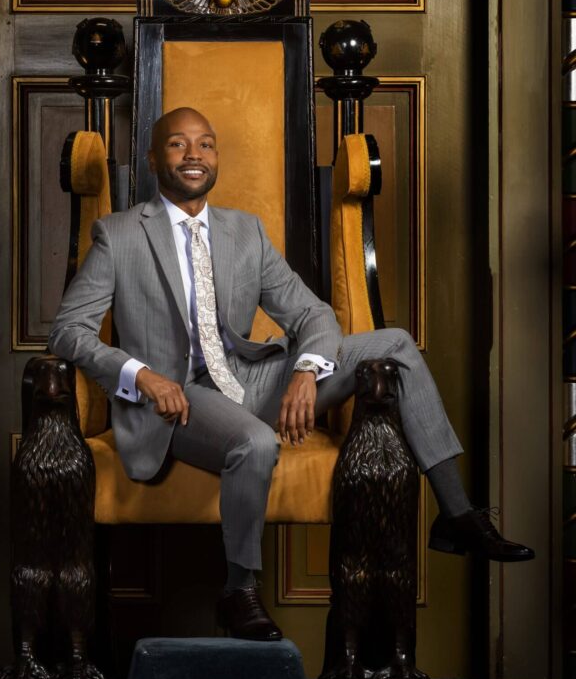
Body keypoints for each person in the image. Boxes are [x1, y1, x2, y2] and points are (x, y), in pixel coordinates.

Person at [49, 106, 534, 642]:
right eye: (178, 145)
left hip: (248, 377)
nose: (194, 155)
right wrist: (140, 375)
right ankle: (239, 590)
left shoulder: (244, 231)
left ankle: (457, 516)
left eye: (206, 144)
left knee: (393, 344)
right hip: (178, 398)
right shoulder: (119, 235)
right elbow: (69, 330)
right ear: (153, 158)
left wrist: (305, 370)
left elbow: (312, 313)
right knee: (255, 443)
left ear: (216, 157)